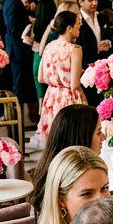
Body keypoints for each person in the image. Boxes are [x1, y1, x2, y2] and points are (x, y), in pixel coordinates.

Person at [36, 10, 87, 147]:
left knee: (54, 142)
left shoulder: (49, 46)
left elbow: (40, 77)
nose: (79, 27)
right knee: (72, 141)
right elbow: (74, 84)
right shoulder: (75, 49)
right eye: (77, 25)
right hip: (69, 98)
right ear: (69, 28)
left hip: (51, 96)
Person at [3, 0, 38, 121]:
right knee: (19, 87)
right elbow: (13, 28)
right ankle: (17, 123)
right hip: (18, 50)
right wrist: (29, 27)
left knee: (23, 86)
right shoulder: (13, 1)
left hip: (19, 50)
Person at [29, 0, 59, 100]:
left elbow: (32, 44)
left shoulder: (35, 25)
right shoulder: (55, 27)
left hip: (37, 57)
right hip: (51, 59)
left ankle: (40, 111)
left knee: (40, 92)